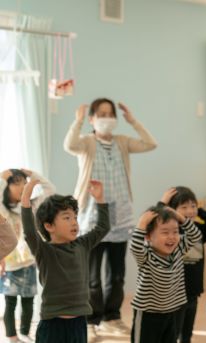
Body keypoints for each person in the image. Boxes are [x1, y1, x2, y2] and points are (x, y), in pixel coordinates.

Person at [64, 99, 157, 338]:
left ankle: (112, 317)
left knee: (117, 274)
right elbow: (69, 145)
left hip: (121, 215)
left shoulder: (122, 142)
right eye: (101, 114)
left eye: (110, 114)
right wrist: (78, 120)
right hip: (92, 214)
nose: (107, 118)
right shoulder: (86, 142)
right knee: (92, 275)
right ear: (93, 118)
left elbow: (150, 144)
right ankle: (91, 321)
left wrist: (133, 121)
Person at [21, 179, 110, 343]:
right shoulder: (44, 251)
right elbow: (29, 233)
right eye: (67, 217)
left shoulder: (82, 244)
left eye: (75, 217)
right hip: (52, 325)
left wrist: (100, 199)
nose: (74, 222)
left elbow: (103, 228)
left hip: (78, 323)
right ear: (49, 226)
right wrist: (26, 197)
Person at [130, 204, 201, 343]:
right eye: (165, 232)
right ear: (149, 237)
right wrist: (142, 223)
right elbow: (135, 247)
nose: (172, 237)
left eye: (175, 232)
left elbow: (195, 235)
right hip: (147, 314)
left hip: (172, 311)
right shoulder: (146, 255)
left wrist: (180, 217)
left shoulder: (178, 250)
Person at [0, 169, 56, 343]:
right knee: (10, 303)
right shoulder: (2, 208)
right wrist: (3, 177)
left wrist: (33, 175)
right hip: (9, 265)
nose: (21, 186)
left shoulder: (31, 206)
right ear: (7, 187)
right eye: (16, 183)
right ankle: (12, 337)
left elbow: (50, 191)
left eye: (24, 182)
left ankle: (24, 333)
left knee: (28, 301)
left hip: (30, 263)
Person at [160, 187, 206, 343]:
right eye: (184, 207)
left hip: (193, 289)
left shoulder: (199, 230)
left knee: (187, 331)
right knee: (174, 329)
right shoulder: (171, 232)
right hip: (175, 290)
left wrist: (197, 211)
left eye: (193, 206)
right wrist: (162, 205)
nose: (190, 210)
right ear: (173, 210)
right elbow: (155, 220)